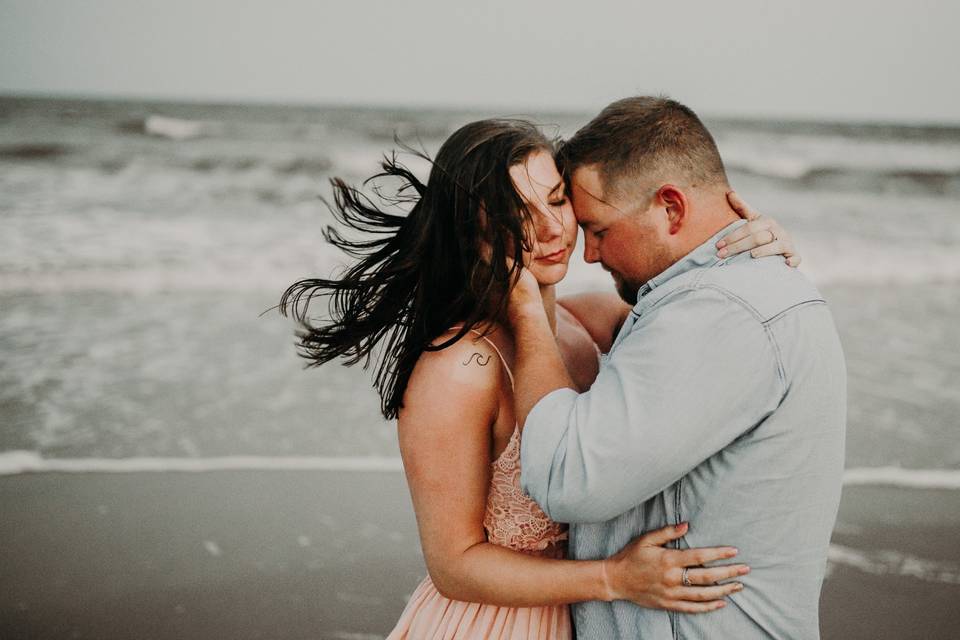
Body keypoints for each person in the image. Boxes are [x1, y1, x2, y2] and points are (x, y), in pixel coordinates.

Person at [279, 118, 799, 639]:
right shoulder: (458, 369)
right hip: (494, 625)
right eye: (517, 216)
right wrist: (611, 578)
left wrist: (747, 244)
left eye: (556, 200)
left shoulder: (595, 321)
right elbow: (453, 565)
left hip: (594, 619)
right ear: (472, 234)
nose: (552, 230)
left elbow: (702, 315)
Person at [507, 97, 846, 639]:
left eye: (597, 229)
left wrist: (524, 306)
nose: (589, 255)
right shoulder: (721, 295)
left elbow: (566, 479)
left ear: (671, 208)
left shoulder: (719, 310)